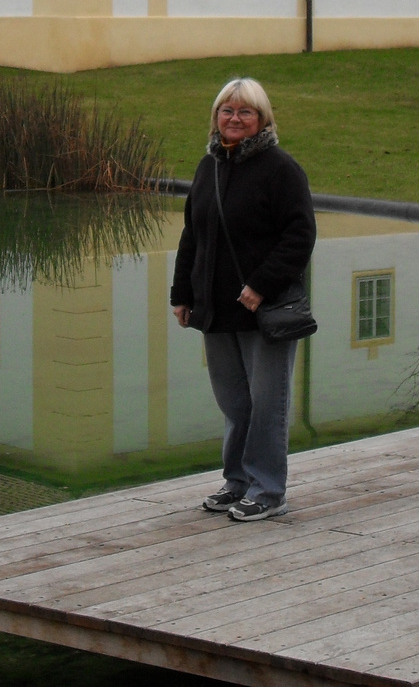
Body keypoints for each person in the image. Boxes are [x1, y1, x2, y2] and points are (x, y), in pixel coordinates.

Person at [171, 77, 316, 521]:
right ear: (216, 117)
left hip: (261, 309)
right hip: (217, 309)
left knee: (267, 405)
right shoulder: (208, 167)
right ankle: (237, 482)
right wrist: (182, 293)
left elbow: (299, 235)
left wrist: (260, 285)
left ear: (263, 120)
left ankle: (269, 491)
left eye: (245, 112)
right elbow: (192, 234)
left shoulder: (280, 169)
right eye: (227, 111)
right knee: (235, 403)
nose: (234, 119)